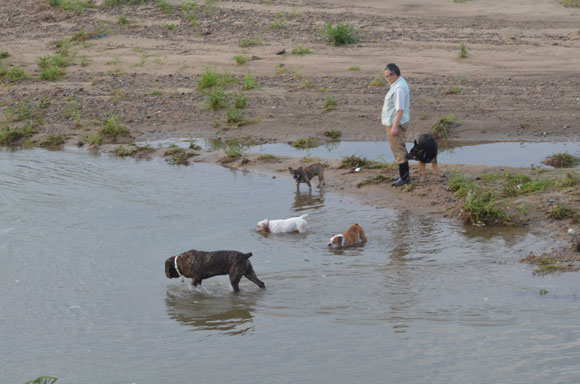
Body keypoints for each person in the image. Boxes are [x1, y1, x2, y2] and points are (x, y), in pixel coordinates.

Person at [381, 63, 411, 187]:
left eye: (387, 76)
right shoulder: (397, 84)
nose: (386, 79)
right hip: (394, 122)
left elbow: (400, 109)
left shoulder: (399, 89)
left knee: (398, 150)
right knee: (399, 148)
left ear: (394, 75)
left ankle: (404, 178)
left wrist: (394, 127)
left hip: (396, 124)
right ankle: (403, 175)